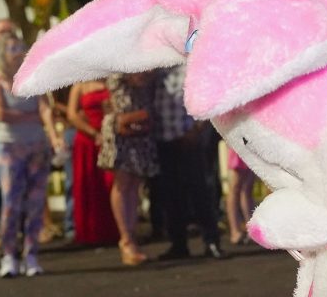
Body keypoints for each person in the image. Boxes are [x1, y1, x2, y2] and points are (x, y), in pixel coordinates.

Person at [0, 37, 62, 277]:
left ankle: (31, 254)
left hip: (36, 145)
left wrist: (52, 134)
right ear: (2, 53)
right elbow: (0, 113)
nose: (17, 53)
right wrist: (31, 118)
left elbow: (44, 108)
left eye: (20, 48)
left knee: (36, 201)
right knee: (11, 202)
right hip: (10, 147)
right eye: (12, 48)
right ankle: (9, 254)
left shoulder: (32, 76)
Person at [150, 65, 223, 260]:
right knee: (172, 197)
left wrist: (198, 129)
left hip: (189, 138)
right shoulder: (155, 71)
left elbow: (208, 99)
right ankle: (179, 244)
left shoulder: (190, 67)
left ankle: (212, 241)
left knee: (200, 192)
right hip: (163, 139)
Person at [101, 72, 158, 266]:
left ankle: (131, 235)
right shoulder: (118, 67)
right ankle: (125, 239)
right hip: (122, 128)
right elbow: (137, 78)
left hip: (141, 127)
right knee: (122, 184)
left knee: (134, 185)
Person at [66, 79, 118, 246]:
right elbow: (72, 115)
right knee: (88, 184)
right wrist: (93, 133)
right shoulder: (79, 86)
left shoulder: (112, 82)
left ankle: (114, 229)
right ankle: (89, 232)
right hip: (87, 140)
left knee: (110, 184)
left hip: (110, 138)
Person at [224, 146, 256, 245]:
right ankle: (234, 230)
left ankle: (251, 229)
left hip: (251, 144)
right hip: (239, 143)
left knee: (247, 188)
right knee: (235, 187)